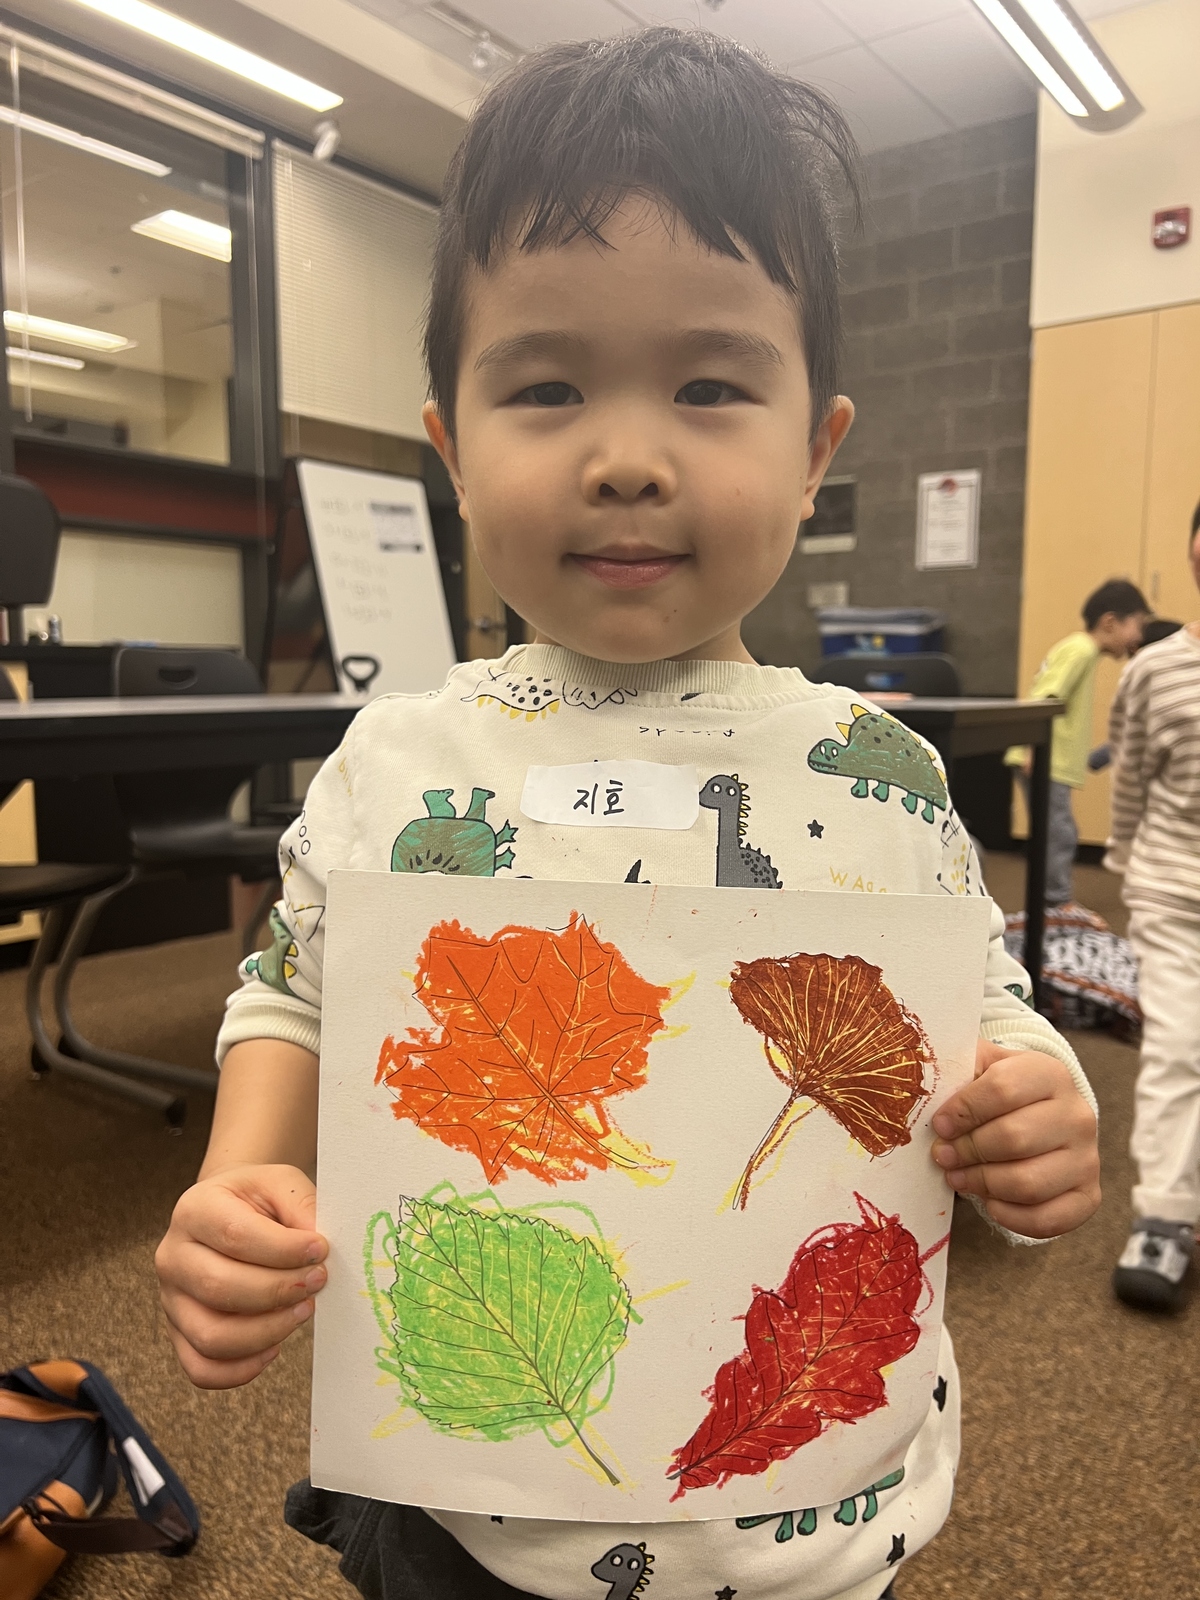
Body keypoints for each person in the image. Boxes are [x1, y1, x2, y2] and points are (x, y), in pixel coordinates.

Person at [155, 30, 1100, 1600]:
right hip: (469, 1516)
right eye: (547, 388)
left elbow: (979, 1005)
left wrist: (1039, 1100)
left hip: (814, 1519)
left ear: (817, 450)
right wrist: (237, 1178)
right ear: (453, 449)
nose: (627, 460)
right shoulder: (400, 763)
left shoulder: (878, 767)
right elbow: (296, 990)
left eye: (710, 387)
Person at [1107, 507, 1200, 1313]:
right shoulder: (1155, 670)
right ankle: (1165, 1216)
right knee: (1180, 1045)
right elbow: (1131, 777)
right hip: (1174, 890)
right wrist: (1124, 865)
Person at [1005, 579, 1149, 908]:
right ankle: (1057, 902)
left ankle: (1050, 900)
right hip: (1045, 758)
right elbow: (1045, 698)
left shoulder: (1080, 650)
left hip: (1050, 758)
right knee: (1059, 833)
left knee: (1055, 831)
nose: (1139, 636)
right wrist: (1031, 749)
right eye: (1137, 624)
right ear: (1110, 622)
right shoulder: (1081, 650)